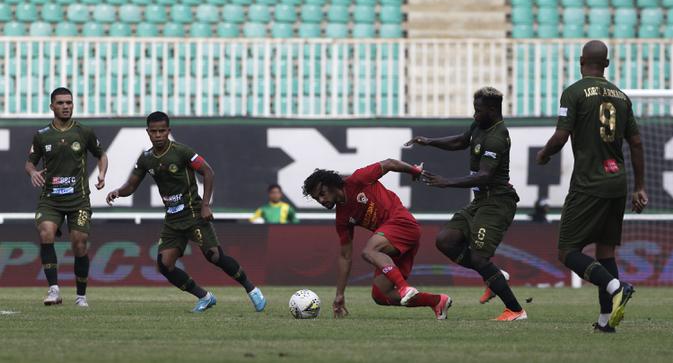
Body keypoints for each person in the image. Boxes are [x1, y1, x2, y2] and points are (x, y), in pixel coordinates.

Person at [536, 40, 647, 332]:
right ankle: (604, 322)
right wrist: (640, 187)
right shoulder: (622, 97)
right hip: (618, 183)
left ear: (581, 60)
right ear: (606, 64)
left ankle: (616, 286)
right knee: (606, 251)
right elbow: (636, 142)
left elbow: (560, 137)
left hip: (589, 183)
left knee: (567, 251)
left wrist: (545, 154)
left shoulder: (573, 93)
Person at [106, 111, 266, 313]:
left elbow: (208, 171)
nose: (158, 135)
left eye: (162, 131)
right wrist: (118, 192)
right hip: (173, 220)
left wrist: (205, 204)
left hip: (194, 215)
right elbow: (131, 185)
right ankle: (205, 297)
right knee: (165, 265)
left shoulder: (181, 151)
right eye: (154, 131)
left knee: (214, 256)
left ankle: (252, 289)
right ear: (148, 132)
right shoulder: (146, 159)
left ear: (168, 131)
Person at [405, 87, 526, 321]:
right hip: (481, 200)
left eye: (478, 110)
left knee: (480, 258)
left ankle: (516, 310)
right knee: (446, 241)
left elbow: (485, 175)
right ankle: (494, 275)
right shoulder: (480, 126)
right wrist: (429, 141)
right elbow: (461, 141)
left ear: (492, 110)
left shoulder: (497, 137)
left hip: (497, 202)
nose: (474, 114)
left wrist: (446, 182)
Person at [302, 160, 452, 320]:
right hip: (391, 244)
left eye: (322, 193)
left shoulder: (358, 180)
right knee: (381, 294)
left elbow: (388, 164)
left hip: (403, 223)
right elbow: (345, 256)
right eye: (316, 198)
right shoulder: (342, 218)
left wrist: (413, 171)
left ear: (331, 185)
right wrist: (339, 294)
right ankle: (437, 301)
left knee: (369, 251)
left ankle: (404, 288)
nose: (321, 200)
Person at [25, 87, 108, 307]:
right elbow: (30, 162)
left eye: (69, 103)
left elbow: (101, 155)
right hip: (50, 199)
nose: (65, 107)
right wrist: (33, 172)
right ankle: (54, 290)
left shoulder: (84, 132)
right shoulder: (42, 135)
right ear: (52, 106)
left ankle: (81, 296)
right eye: (61, 103)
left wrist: (101, 174)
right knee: (46, 233)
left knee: (79, 243)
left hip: (78, 199)